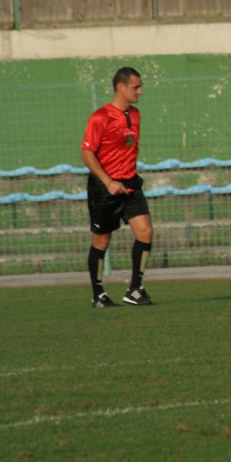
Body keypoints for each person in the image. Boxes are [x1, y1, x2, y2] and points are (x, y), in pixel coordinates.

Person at [80, 66, 154, 308]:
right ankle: (98, 294)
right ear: (121, 87)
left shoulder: (136, 114)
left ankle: (135, 289)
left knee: (145, 232)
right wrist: (108, 181)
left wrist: (124, 178)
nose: (140, 92)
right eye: (135, 87)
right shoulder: (100, 117)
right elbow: (87, 153)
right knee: (101, 241)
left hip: (130, 183)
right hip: (105, 187)